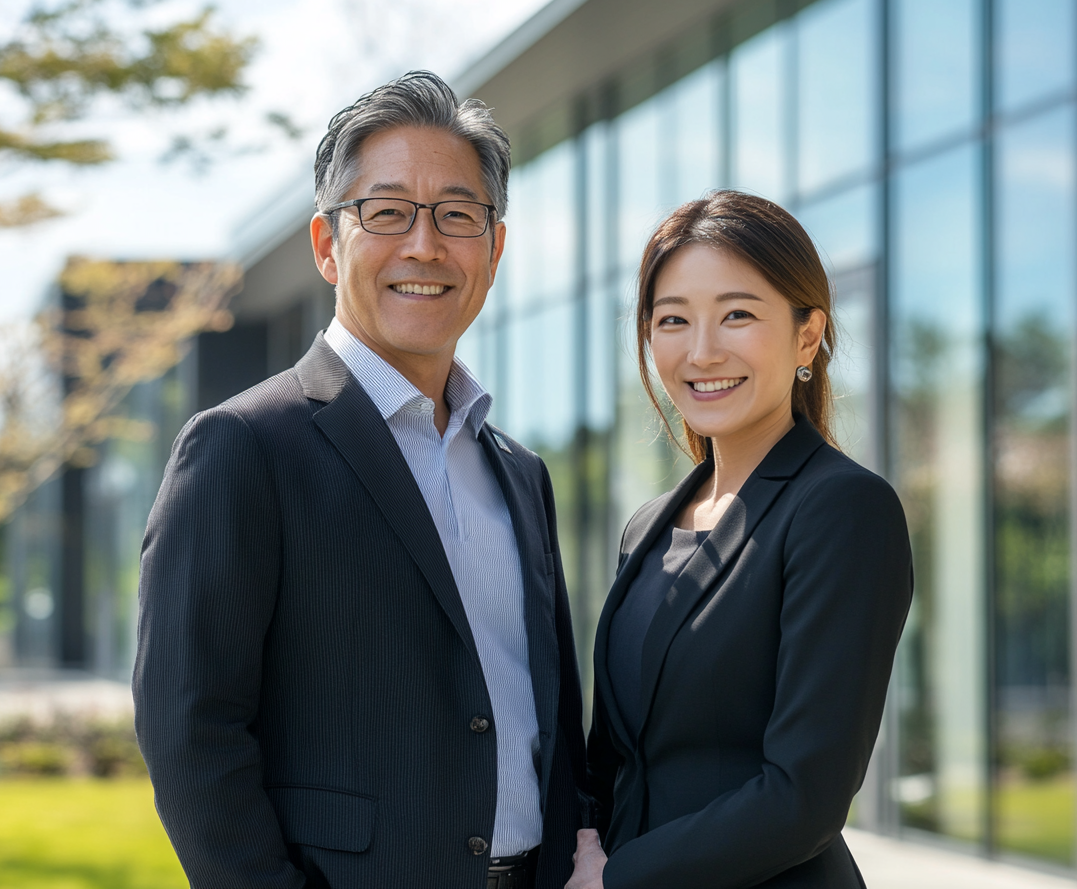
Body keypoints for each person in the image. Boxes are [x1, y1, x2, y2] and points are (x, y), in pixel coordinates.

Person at [134, 71, 591, 889]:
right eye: (386, 213)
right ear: (325, 245)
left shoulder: (520, 472)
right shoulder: (242, 447)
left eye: (458, 215)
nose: (425, 245)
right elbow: (191, 731)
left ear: (493, 248)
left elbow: (547, 715)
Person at [568, 191, 914, 889]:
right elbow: (617, 751)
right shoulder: (649, 525)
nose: (701, 351)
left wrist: (616, 879)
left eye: (737, 315)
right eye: (673, 320)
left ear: (808, 336)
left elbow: (804, 798)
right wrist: (580, 843)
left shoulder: (843, 509)